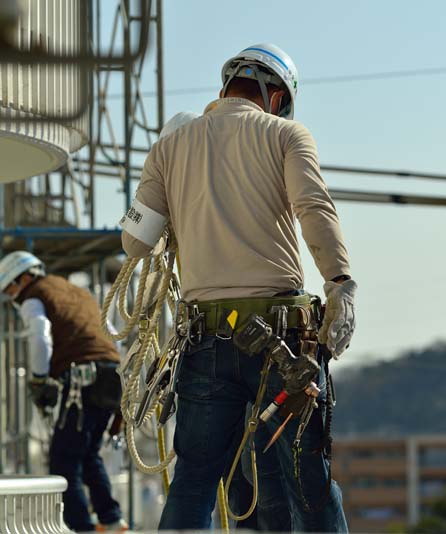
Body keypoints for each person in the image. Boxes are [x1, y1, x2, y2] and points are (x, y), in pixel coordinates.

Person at [120, 42, 355, 532]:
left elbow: (135, 242)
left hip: (205, 340)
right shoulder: (286, 134)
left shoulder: (169, 147)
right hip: (281, 343)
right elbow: (313, 208)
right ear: (277, 98)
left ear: (226, 87)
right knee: (307, 483)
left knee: (195, 481)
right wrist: (340, 284)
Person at [0, 251, 127, 533]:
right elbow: (111, 335)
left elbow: (40, 336)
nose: (11, 297)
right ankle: (112, 520)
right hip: (111, 375)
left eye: (9, 288)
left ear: (24, 278)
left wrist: (39, 379)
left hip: (82, 380)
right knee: (89, 453)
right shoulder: (78, 293)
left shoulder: (35, 295)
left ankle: (80, 527)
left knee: (63, 459)